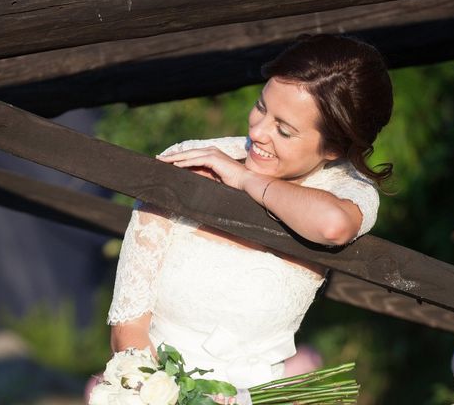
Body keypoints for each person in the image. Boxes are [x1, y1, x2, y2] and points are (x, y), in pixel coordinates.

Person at [106, 34, 393, 390]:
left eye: (283, 131)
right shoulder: (193, 159)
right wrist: (157, 393)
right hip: (153, 386)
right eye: (260, 107)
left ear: (333, 148)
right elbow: (128, 325)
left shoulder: (344, 192)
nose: (257, 132)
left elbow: (332, 225)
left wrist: (244, 179)